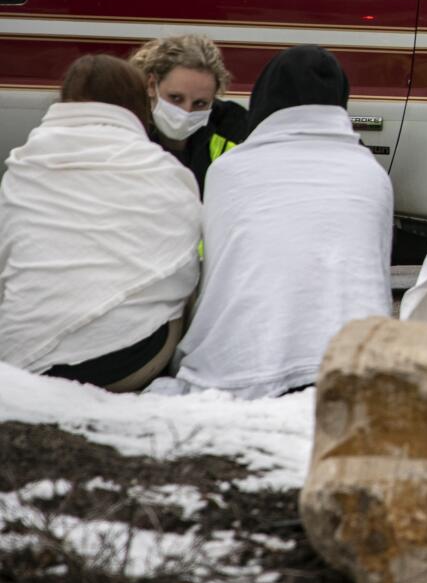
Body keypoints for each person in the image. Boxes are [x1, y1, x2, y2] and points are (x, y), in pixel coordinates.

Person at [159, 46, 392, 397]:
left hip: (242, 361)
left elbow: (213, 273)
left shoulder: (229, 171)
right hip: (357, 361)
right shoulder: (371, 174)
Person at [0, 56, 201, 391]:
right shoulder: (162, 170)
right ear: (138, 104)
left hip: (24, 360)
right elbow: (185, 268)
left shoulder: (25, 164)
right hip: (129, 364)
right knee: (182, 276)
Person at [130, 34, 252, 193]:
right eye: (176, 98)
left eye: (200, 103)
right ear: (152, 86)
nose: (186, 111)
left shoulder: (232, 129)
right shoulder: (125, 130)